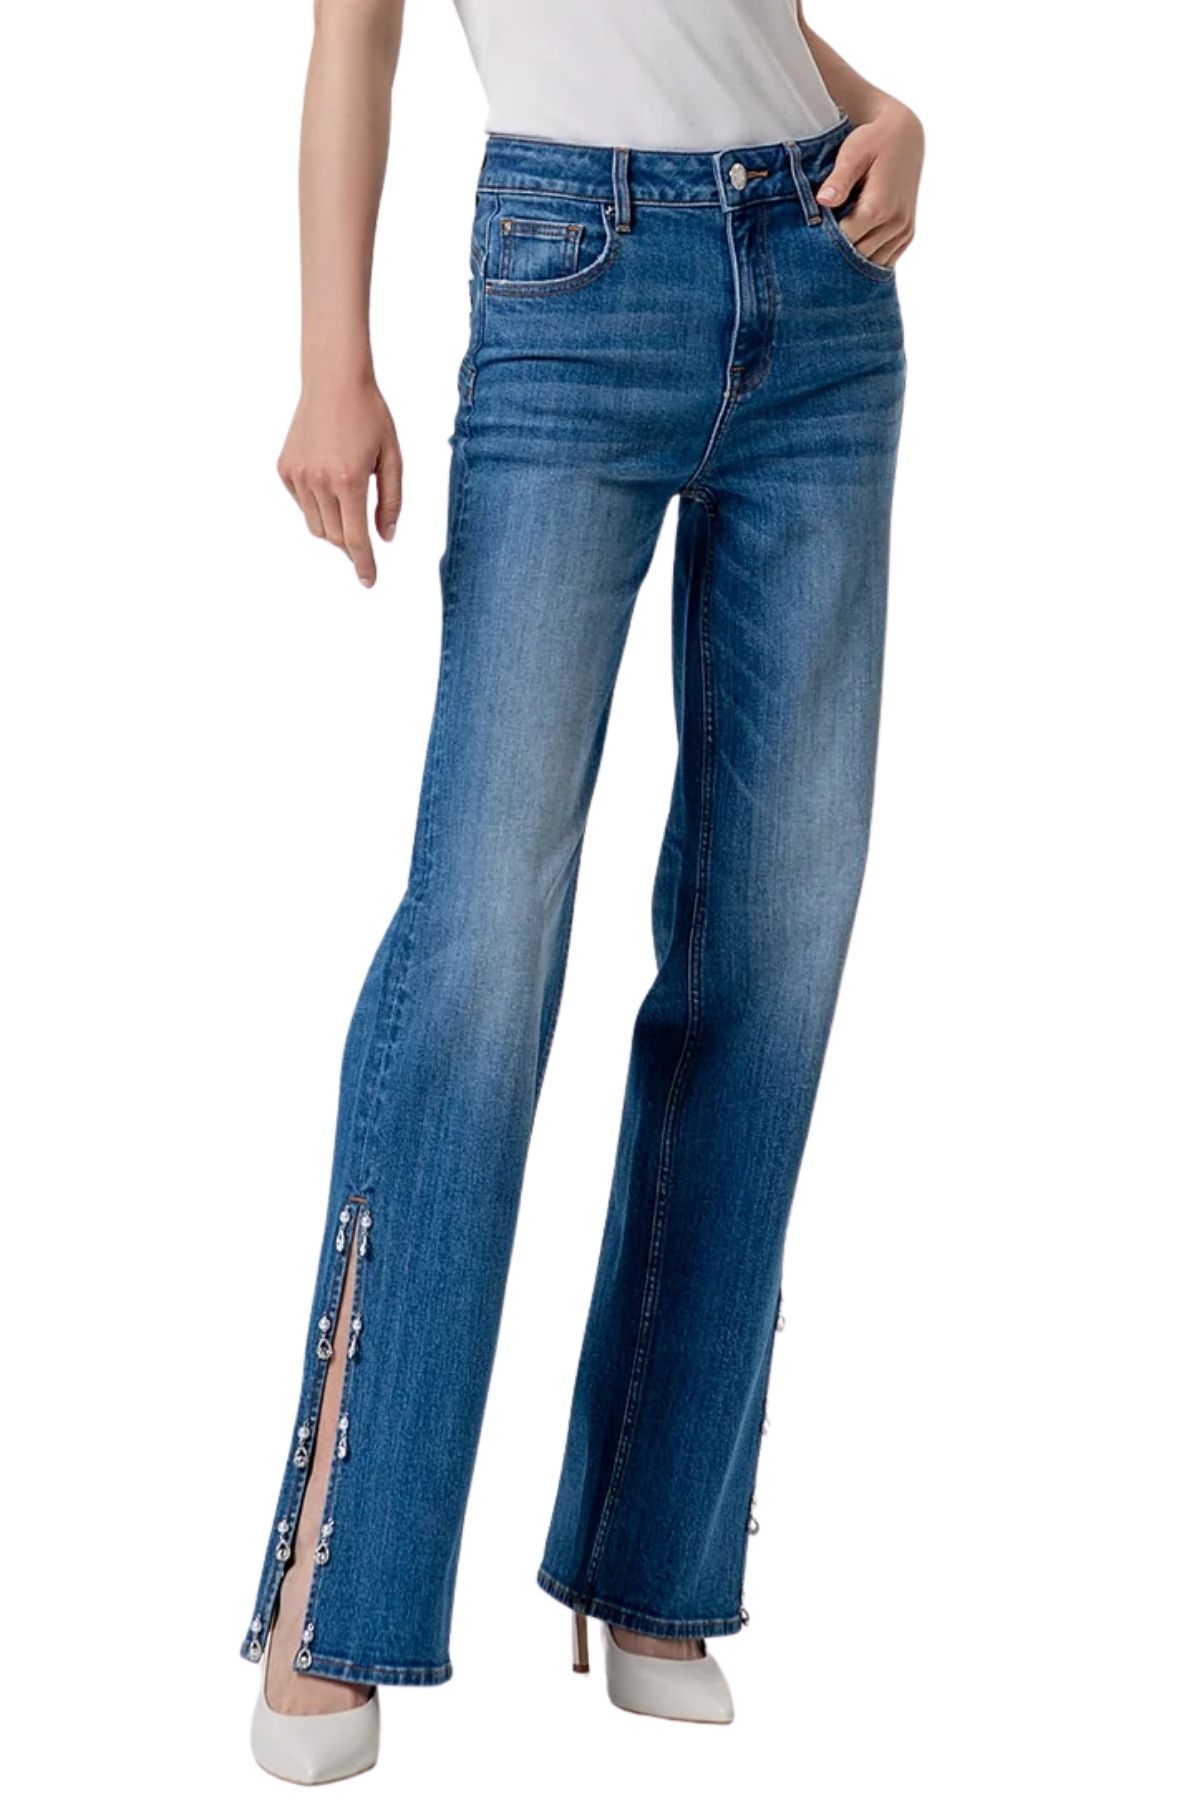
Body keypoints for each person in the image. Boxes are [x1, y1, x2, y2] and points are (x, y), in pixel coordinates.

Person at [243, 0, 924, 1778]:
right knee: (479, 945)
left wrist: (888, 112)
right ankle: (335, 1580)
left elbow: (744, 24)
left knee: (771, 951)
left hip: (821, 275)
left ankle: (654, 1566)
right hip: (573, 274)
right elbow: (356, 40)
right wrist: (333, 361)